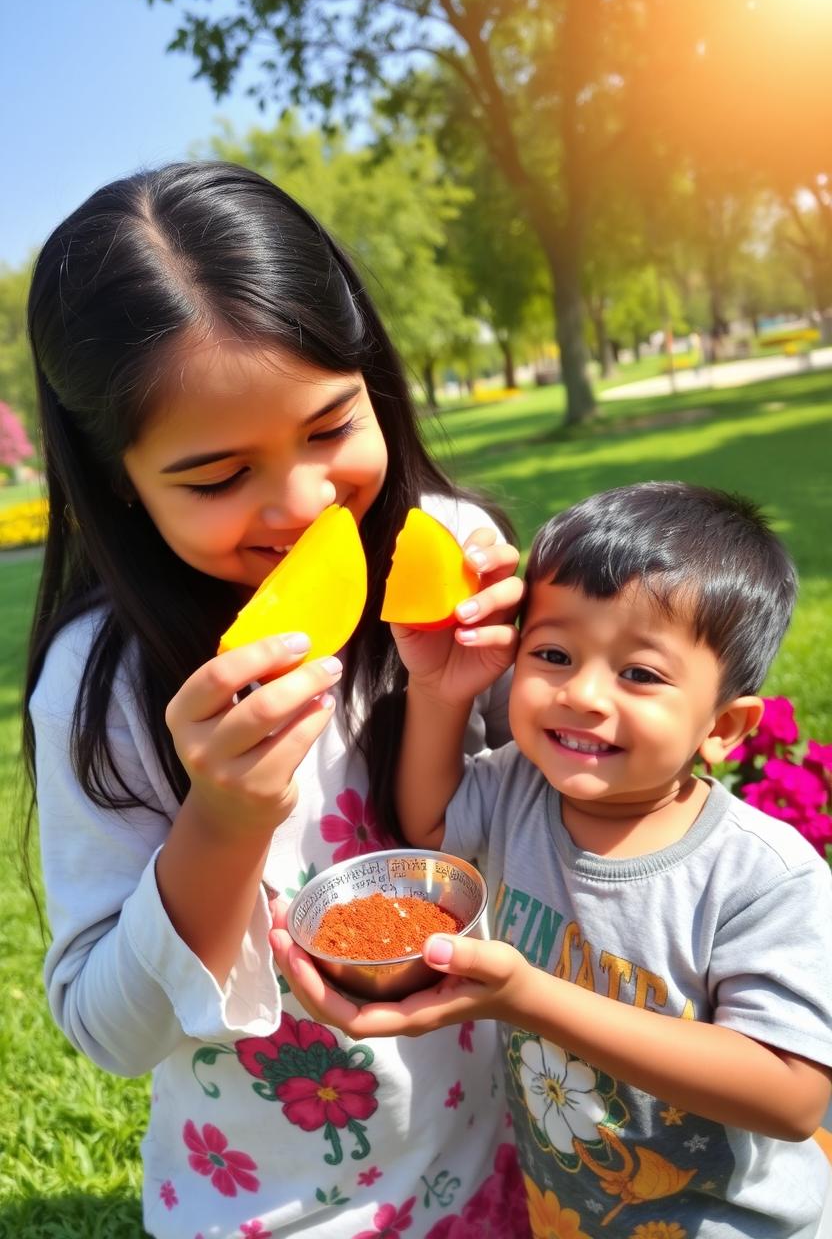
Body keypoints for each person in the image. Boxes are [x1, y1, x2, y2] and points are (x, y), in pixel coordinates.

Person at [23, 161, 532, 1239]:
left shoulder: (441, 561)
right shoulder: (100, 683)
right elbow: (113, 1034)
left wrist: (482, 686)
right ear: (119, 476)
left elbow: (534, 849)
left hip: (493, 1153)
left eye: (330, 426)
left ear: (373, 383)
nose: (302, 505)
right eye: (214, 477)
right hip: (270, 1208)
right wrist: (223, 815)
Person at [273, 482, 832, 1238]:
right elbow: (428, 827)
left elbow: (793, 1096)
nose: (583, 694)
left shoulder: (761, 877)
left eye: (639, 674)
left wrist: (528, 998)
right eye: (554, 654)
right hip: (572, 1209)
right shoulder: (518, 788)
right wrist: (440, 692)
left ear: (725, 727)